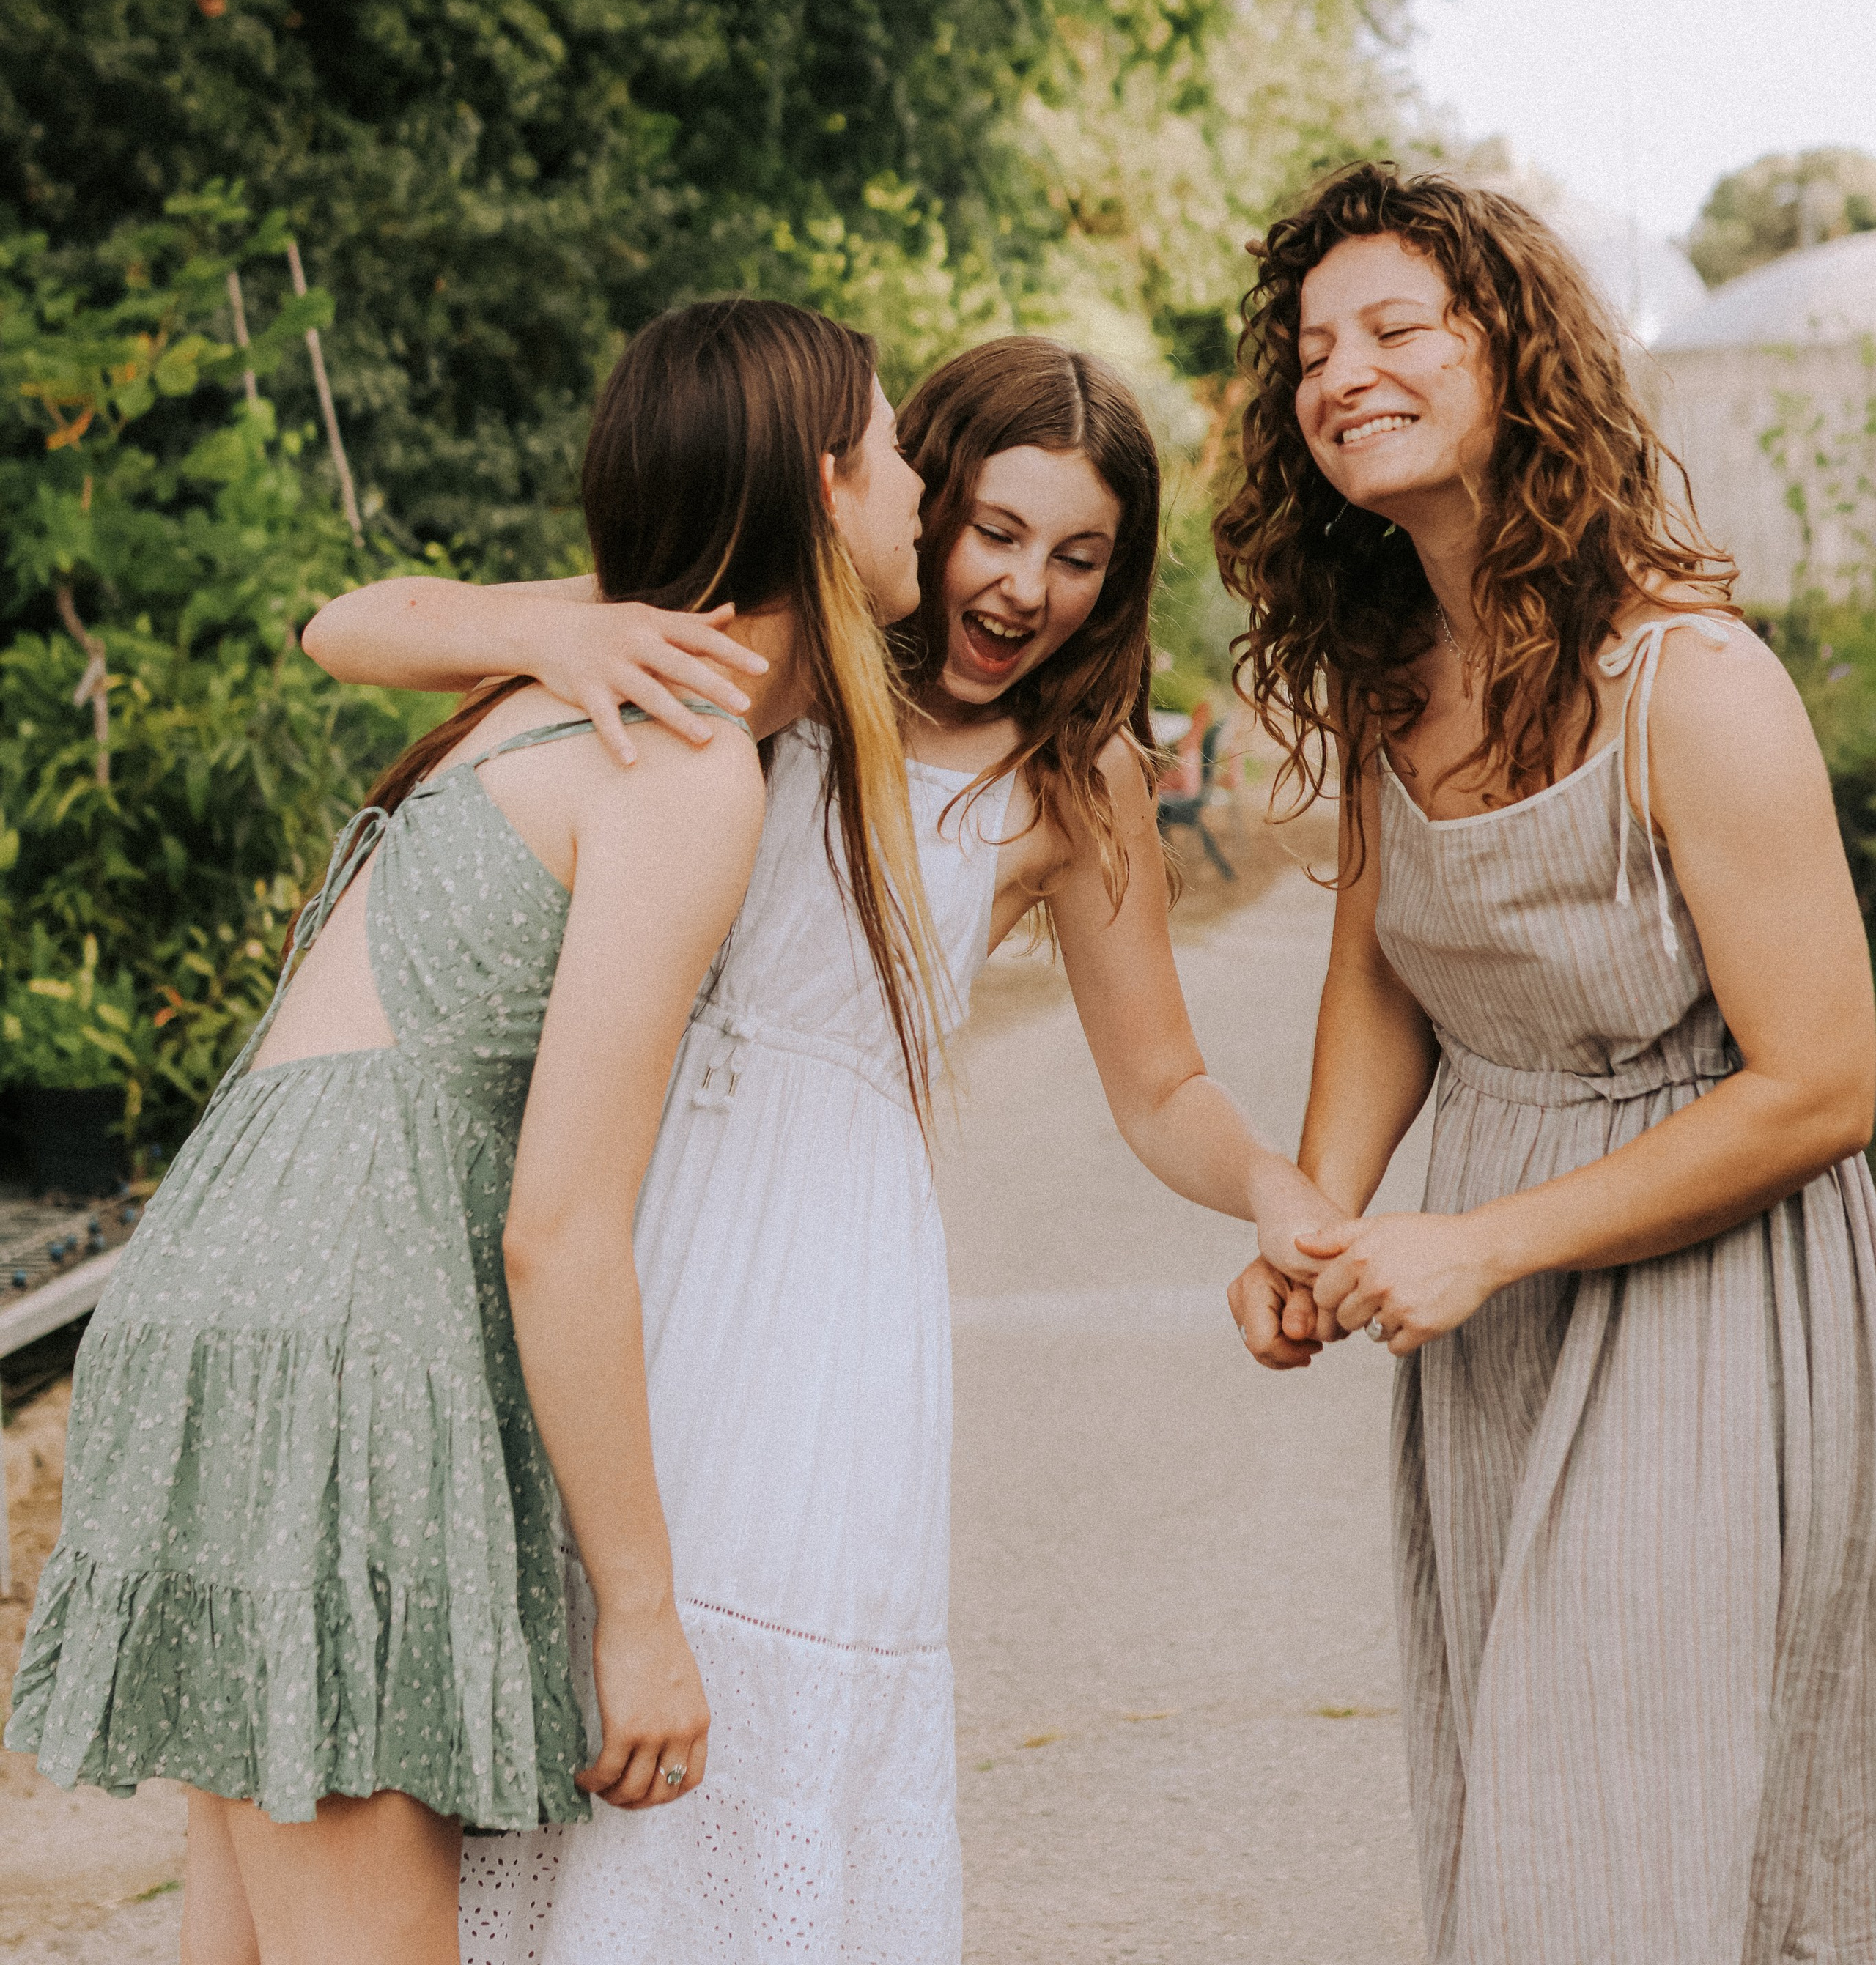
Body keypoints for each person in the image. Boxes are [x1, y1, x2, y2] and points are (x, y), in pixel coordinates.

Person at [312, 328, 1336, 1964]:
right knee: (560, 1693)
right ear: (908, 497)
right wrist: (560, 633)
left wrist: (1274, 1187)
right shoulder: (751, 657)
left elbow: (1160, 1090)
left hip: (821, 1310)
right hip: (610, 1232)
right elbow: (350, 624)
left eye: (1079, 557)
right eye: (995, 531)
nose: (1026, 590)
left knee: (741, 1747)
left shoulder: (1075, 785)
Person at [5, 297, 928, 1965]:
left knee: (251, 1938)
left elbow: (355, 620)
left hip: (234, 1285)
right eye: (896, 446)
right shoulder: (680, 749)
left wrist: (567, 628)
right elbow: (555, 1227)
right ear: (822, 486)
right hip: (353, 1326)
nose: (923, 480)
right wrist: (641, 1617)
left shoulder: (595, 679)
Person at [1219, 163, 1876, 1965]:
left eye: (1389, 328)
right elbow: (1379, 976)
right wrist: (1318, 1217)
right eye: (1307, 349)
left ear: (1511, 353)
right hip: (1490, 1310)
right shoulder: (1389, 681)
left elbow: (1823, 1083)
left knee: (1629, 1827)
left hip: (1705, 1290)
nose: (1334, 370)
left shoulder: (1692, 681)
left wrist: (1480, 1243)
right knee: (1531, 1794)